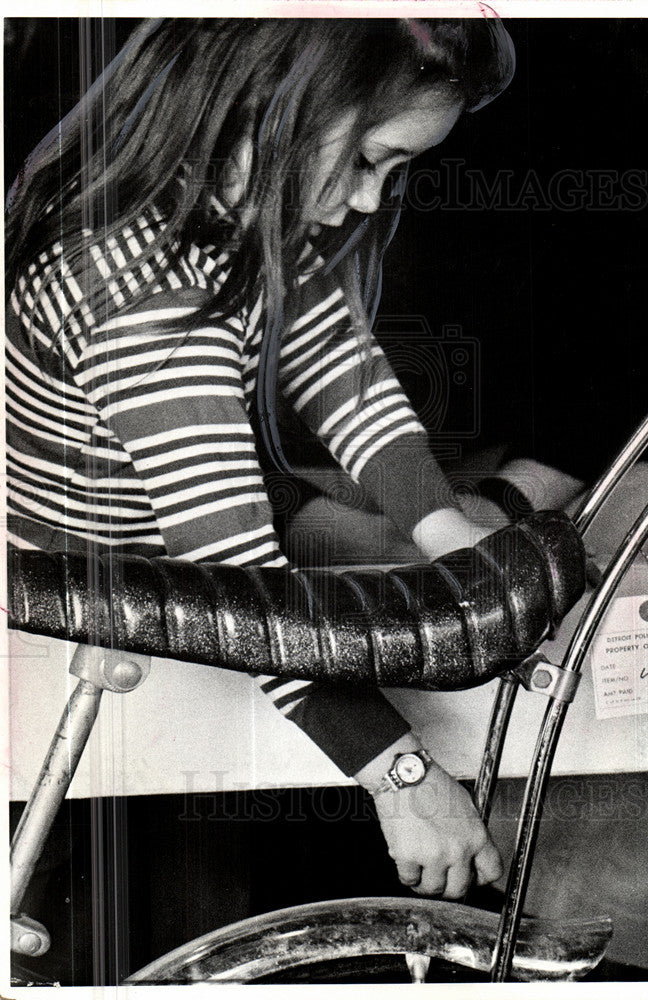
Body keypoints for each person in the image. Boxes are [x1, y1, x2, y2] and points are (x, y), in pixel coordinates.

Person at [5, 17, 518, 906]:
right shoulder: (150, 305)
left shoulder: (224, 209)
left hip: (170, 537)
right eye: (368, 158)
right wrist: (403, 780)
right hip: (108, 593)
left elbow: (342, 372)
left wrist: (445, 534)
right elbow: (240, 589)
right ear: (275, 107)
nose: (369, 200)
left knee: (404, 556)